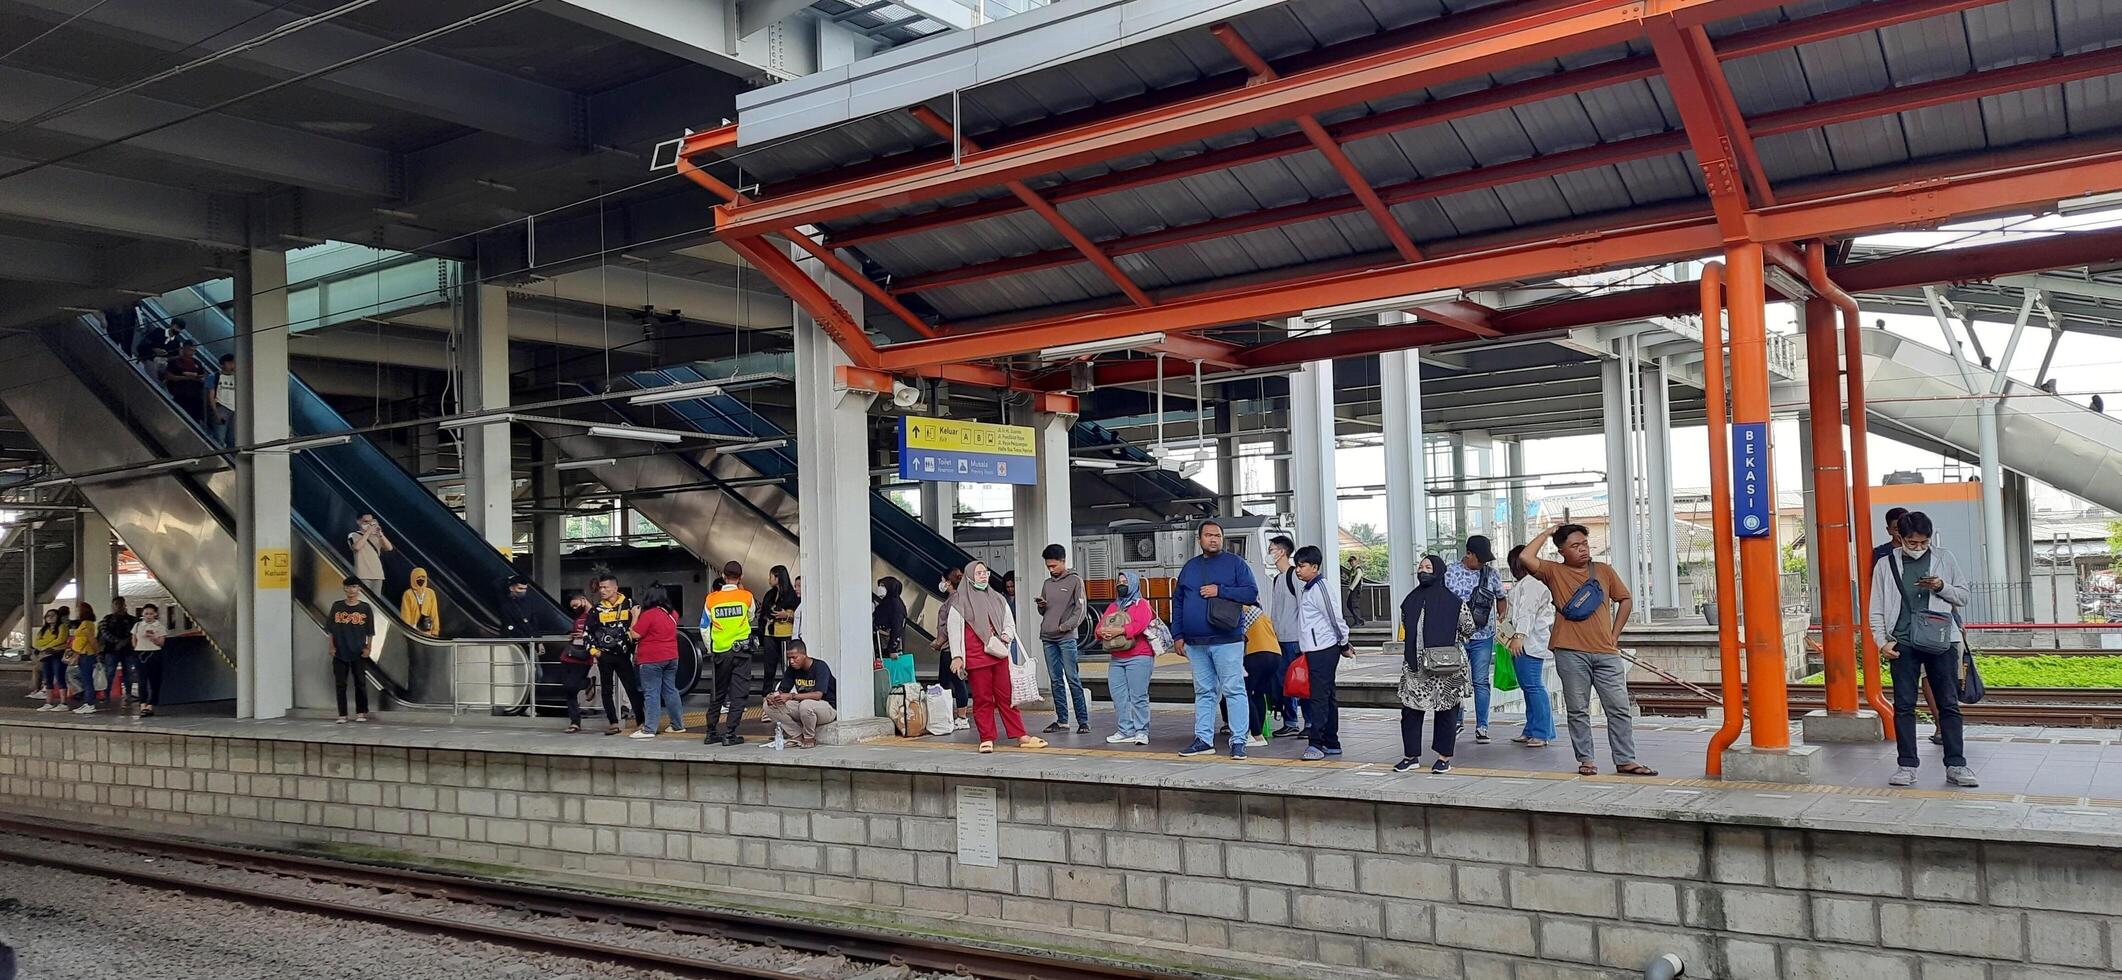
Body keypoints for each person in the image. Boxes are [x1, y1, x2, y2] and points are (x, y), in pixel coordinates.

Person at [1519, 523, 1657, 776]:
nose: (1583, 549)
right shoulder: (1553, 572)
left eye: (1584, 544)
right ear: (1561, 551)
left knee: (1618, 708)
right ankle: (1586, 760)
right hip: (1569, 651)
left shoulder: (1603, 571)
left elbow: (1625, 599)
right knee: (1578, 709)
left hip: (1606, 652)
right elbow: (1526, 557)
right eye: (1575, 546)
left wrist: (1615, 635)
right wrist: (1548, 532)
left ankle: (1626, 759)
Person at [1869, 511, 1980, 788]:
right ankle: (1906, 765)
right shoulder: (1886, 564)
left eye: (1923, 542)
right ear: (1899, 537)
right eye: (1912, 542)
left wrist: (1941, 587)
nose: (1918, 548)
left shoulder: (1945, 558)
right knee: (1904, 706)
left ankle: (1956, 764)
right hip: (1902, 642)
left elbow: (1964, 596)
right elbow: (1877, 608)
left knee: (1948, 705)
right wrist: (1882, 642)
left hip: (1941, 641)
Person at [1171, 520, 1259, 760]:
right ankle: (1203, 739)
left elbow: (1251, 593)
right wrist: (1177, 635)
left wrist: (1220, 590)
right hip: (1195, 642)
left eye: (1217, 535)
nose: (1213, 539)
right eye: (1208, 535)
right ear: (1199, 539)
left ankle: (1239, 739)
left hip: (1227, 639)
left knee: (1233, 689)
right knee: (1204, 691)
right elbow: (1178, 602)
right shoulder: (1189, 567)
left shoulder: (1236, 564)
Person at [944, 560, 1047, 754]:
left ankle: (1021, 735)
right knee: (983, 699)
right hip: (976, 658)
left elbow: (1009, 622)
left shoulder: (997, 598)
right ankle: (987, 738)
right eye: (979, 573)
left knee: (1008, 697)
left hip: (999, 654)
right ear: (970, 576)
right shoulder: (959, 602)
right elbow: (954, 631)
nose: (984, 576)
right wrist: (957, 657)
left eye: (985, 573)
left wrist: (1007, 634)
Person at [1395, 555, 1472, 773]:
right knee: (1410, 710)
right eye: (1420, 567)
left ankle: (1443, 757)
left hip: (1445, 666)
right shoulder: (1410, 600)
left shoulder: (1454, 601)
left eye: (1428, 567)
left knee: (1446, 710)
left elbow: (1468, 628)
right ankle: (1410, 756)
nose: (1423, 571)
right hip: (1415, 665)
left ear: (1439, 571)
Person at [1292, 545, 1352, 760]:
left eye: (1302, 566)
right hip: (1316, 648)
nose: (1297, 570)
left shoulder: (1320, 588)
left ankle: (1316, 744)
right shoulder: (1309, 587)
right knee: (1327, 696)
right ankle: (1331, 741)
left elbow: (1335, 618)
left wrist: (1344, 643)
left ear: (1315, 567)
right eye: (1296, 566)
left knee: (1319, 697)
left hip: (1323, 649)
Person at [1444, 535, 1504, 743]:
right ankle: (1456, 721)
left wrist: (1502, 620)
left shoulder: (1491, 574)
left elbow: (1501, 599)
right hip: (1456, 636)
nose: (1482, 564)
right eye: (1479, 559)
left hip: (1483, 636)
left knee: (1480, 681)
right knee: (1454, 679)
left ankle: (1482, 726)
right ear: (1468, 554)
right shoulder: (1450, 572)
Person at [1499, 545, 1556, 748]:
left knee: (1533, 686)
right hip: (1528, 642)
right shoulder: (1528, 583)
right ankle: (1532, 729)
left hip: (1529, 644)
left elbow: (1527, 613)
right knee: (1529, 687)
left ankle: (1542, 731)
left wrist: (1519, 636)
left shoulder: (1531, 585)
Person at [1095, 571, 1155, 745]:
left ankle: (1142, 730)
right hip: (1117, 658)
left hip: (1140, 656)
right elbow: (1100, 626)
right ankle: (1125, 730)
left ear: (1134, 584)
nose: (1121, 585)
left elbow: (1139, 626)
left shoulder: (1142, 604)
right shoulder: (1114, 606)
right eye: (1119, 582)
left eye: (1125, 581)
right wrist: (1101, 632)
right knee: (1118, 695)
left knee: (1138, 695)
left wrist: (1118, 630)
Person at [701, 561, 757, 746]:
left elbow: (703, 628)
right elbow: (750, 617)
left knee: (718, 693)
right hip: (741, 652)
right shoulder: (747, 597)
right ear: (740, 577)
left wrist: (711, 648)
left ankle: (711, 733)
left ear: (723, 576)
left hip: (720, 652)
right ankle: (730, 734)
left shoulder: (711, 599)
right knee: (738, 694)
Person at [1036, 544, 1090, 735]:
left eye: (1054, 566)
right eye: (1048, 566)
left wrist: (1065, 626)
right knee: (1055, 680)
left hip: (1066, 637)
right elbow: (1044, 611)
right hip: (1047, 637)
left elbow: (1080, 610)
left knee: (1072, 678)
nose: (1051, 570)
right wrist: (1041, 606)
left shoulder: (1075, 581)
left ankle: (1083, 720)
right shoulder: (1047, 584)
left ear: (1063, 561)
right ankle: (1062, 720)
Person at [587, 572, 643, 736]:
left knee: (632, 688)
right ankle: (613, 722)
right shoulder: (597, 609)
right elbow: (588, 632)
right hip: (604, 655)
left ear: (615, 588)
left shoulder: (630, 604)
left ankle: (641, 721)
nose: (602, 590)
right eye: (600, 587)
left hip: (624, 655)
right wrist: (595, 652)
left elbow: (640, 626)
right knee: (606, 690)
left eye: (605, 587)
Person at [627, 584, 686, 739]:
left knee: (651, 693)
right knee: (670, 690)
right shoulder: (673, 614)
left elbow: (635, 634)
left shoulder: (649, 614)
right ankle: (678, 725)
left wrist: (634, 616)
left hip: (651, 659)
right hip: (672, 657)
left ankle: (649, 729)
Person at [1264, 535, 1307, 739]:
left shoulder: (1294, 577)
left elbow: (1304, 608)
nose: (1269, 553)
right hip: (1280, 639)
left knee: (1300, 682)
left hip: (1294, 639)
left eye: (1271, 549)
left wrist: (1304, 640)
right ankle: (1290, 722)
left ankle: (1309, 722)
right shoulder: (1278, 578)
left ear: (1281, 552)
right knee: (1284, 682)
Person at [764, 640, 838, 748]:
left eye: (795, 657)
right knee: (769, 705)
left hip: (827, 708)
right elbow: (782, 691)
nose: (792, 661)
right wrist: (772, 696)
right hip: (804, 707)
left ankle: (809, 738)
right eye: (789, 658)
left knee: (806, 704)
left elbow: (818, 695)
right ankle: (797, 735)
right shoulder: (792, 669)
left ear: (804, 655)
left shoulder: (820, 667)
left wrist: (791, 696)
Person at [326, 578, 375, 723]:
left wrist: (368, 648)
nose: (351, 590)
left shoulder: (365, 608)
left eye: (354, 587)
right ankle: (342, 714)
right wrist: (331, 646)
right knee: (340, 683)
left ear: (359, 589)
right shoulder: (337, 606)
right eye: (348, 587)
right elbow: (330, 629)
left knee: (360, 682)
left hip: (358, 651)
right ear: (344, 589)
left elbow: (370, 631)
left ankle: (361, 712)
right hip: (340, 651)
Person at [932, 567, 971, 731]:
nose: (941, 583)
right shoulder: (958, 598)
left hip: (950, 649)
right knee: (950, 682)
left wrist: (938, 642)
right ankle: (952, 714)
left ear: (948, 582)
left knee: (955, 681)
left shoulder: (954, 600)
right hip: (951, 648)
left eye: (942, 580)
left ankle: (961, 717)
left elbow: (949, 627)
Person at [757, 566, 798, 700]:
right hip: (770, 634)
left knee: (788, 667)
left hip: (786, 634)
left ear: (778, 577)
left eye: (771, 576)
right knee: (769, 668)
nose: (769, 579)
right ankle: (766, 696)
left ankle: (787, 695)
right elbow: (762, 613)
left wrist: (786, 615)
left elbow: (798, 615)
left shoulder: (792, 594)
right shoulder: (770, 594)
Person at [557, 593, 596, 733]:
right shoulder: (578, 617)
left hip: (583, 657)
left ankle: (587, 683)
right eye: (572, 607)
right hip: (569, 655)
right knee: (568, 690)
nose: (574, 608)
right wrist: (572, 635)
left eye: (576, 605)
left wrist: (585, 635)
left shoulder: (595, 614)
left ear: (583, 600)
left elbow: (601, 633)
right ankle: (575, 722)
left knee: (571, 686)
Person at [97, 598, 139, 712]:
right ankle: (106, 694)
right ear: (113, 606)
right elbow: (104, 633)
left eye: (120, 604)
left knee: (128, 673)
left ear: (124, 605)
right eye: (116, 604)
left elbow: (134, 634)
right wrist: (119, 642)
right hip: (112, 651)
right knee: (109, 673)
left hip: (127, 650)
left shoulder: (132, 620)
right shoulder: (107, 619)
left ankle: (128, 694)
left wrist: (120, 642)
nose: (118, 606)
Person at [160, 339, 209, 423]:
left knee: (194, 418)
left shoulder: (197, 363)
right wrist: (185, 377)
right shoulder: (175, 361)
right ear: (184, 348)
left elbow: (203, 376)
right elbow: (168, 376)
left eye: (194, 351)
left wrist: (198, 378)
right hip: (179, 394)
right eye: (190, 350)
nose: (192, 353)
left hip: (194, 396)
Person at [131, 604, 167, 717]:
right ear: (142, 614)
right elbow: (134, 639)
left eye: (151, 614)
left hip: (154, 653)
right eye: (146, 614)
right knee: (142, 680)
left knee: (154, 680)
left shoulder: (159, 626)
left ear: (155, 614)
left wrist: (153, 638)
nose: (148, 616)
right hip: (140, 653)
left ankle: (151, 704)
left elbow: (161, 643)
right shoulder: (137, 625)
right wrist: (137, 648)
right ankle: (142, 704)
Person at [31, 608, 69, 710]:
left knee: (59, 676)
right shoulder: (44, 629)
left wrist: (47, 645)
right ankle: (48, 702)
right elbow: (37, 642)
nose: (50, 617)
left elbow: (61, 639)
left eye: (53, 615)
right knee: (48, 678)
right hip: (45, 656)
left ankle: (63, 703)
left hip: (57, 655)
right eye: (48, 616)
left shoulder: (62, 627)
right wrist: (47, 645)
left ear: (58, 617)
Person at [347, 514, 394, 597]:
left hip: (378, 574)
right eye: (366, 521)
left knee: (375, 602)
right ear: (358, 521)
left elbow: (389, 548)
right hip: (362, 575)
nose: (369, 524)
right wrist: (368, 531)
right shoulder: (353, 535)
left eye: (371, 521)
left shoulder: (376, 536)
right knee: (362, 600)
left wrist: (380, 534)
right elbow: (357, 547)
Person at [68, 602, 101, 715]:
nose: (76, 612)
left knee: (87, 680)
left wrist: (96, 652)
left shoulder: (87, 624)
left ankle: (90, 703)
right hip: (83, 653)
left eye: (78, 610)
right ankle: (87, 702)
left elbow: (90, 640)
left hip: (86, 654)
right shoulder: (84, 624)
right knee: (85, 678)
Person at [400, 567, 441, 637]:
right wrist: (407, 630)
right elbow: (405, 614)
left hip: (427, 632)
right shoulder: (408, 594)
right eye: (418, 577)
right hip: (412, 632)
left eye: (423, 577)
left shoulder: (431, 593)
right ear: (413, 578)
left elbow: (434, 613)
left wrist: (435, 631)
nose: (421, 579)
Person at [872, 576, 907, 656]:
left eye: (883, 586)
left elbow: (897, 627)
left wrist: (893, 649)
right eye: (880, 585)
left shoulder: (895, 605)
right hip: (881, 644)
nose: (880, 588)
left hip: (888, 646)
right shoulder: (885, 603)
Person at [211, 353, 237, 448]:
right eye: (229, 363)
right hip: (221, 407)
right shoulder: (215, 376)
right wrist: (215, 412)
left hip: (234, 409)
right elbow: (211, 395)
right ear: (223, 364)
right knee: (219, 437)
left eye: (233, 363)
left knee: (233, 438)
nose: (232, 365)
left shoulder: (237, 377)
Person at [1342, 559, 1368, 627]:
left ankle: (1359, 621)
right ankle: (1357, 620)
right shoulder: (1352, 570)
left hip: (1356, 590)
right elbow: (1351, 579)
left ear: (1356, 561)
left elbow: (1357, 579)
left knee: (1354, 605)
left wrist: (1351, 588)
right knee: (1349, 604)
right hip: (1353, 590)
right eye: (1350, 562)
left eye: (1352, 561)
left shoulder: (1358, 569)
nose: (1351, 563)